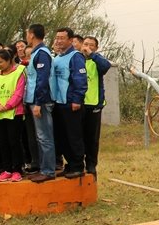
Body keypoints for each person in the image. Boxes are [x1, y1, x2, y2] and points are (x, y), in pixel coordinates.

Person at [51, 27, 88, 179]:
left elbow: (80, 79)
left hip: (71, 103)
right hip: (58, 103)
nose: (59, 41)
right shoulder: (57, 58)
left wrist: (77, 99)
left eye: (62, 38)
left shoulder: (75, 56)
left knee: (74, 136)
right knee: (62, 137)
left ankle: (78, 166)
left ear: (71, 40)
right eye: (57, 38)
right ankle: (69, 164)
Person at [24, 24, 57, 182]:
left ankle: (48, 171)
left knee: (45, 137)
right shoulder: (36, 53)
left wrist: (38, 102)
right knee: (40, 137)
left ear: (31, 35)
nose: (26, 36)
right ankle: (43, 168)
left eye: (27, 34)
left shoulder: (42, 53)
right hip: (34, 99)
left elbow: (42, 80)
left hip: (41, 101)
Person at [0, 49, 26, 182]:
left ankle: (17, 170)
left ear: (9, 60)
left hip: (15, 113)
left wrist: (9, 105)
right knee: (2, 143)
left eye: (1, 62)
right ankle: (7, 169)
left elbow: (19, 93)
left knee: (14, 142)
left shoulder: (19, 73)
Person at [81, 36, 112, 178]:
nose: (87, 47)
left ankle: (91, 164)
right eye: (85, 44)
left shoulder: (97, 60)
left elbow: (106, 66)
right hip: (78, 103)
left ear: (96, 48)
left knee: (92, 137)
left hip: (93, 104)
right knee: (77, 136)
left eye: (91, 45)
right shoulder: (77, 60)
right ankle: (78, 163)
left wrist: (92, 55)